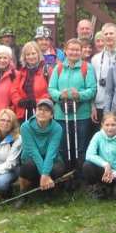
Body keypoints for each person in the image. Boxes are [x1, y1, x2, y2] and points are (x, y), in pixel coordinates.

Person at [49, 38, 97, 168]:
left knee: (81, 146)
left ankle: (80, 174)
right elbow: (51, 89)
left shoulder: (87, 68)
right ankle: (66, 172)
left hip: (81, 114)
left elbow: (92, 90)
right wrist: (59, 95)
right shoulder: (58, 68)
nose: (74, 52)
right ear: (65, 50)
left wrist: (79, 95)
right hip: (61, 114)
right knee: (63, 146)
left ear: (81, 52)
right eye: (71, 49)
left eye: (77, 50)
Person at [17, 98, 67, 206]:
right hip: (31, 158)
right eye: (40, 109)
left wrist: (45, 173)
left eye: (46, 110)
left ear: (51, 115)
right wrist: (44, 174)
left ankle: (49, 193)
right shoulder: (25, 127)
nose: (42, 112)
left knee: (58, 169)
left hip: (50, 158)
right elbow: (33, 151)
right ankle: (23, 195)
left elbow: (51, 153)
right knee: (27, 167)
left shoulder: (57, 128)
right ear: (35, 111)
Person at [83, 112, 116, 199]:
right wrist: (105, 164)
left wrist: (114, 174)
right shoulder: (97, 136)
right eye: (107, 125)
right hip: (104, 171)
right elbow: (89, 155)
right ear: (102, 125)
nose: (110, 128)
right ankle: (96, 188)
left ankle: (114, 189)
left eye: (113, 125)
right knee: (87, 165)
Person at [11, 41, 51, 122]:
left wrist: (37, 101)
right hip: (23, 111)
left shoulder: (47, 70)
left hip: (42, 111)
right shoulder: (21, 72)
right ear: (24, 57)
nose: (31, 57)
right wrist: (19, 101)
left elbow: (51, 90)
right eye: (28, 54)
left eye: (33, 53)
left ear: (38, 54)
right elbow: (13, 90)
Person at [91, 23, 116, 123]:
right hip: (100, 105)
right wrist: (92, 105)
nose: (108, 36)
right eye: (106, 34)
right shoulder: (95, 59)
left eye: (111, 33)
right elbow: (92, 84)